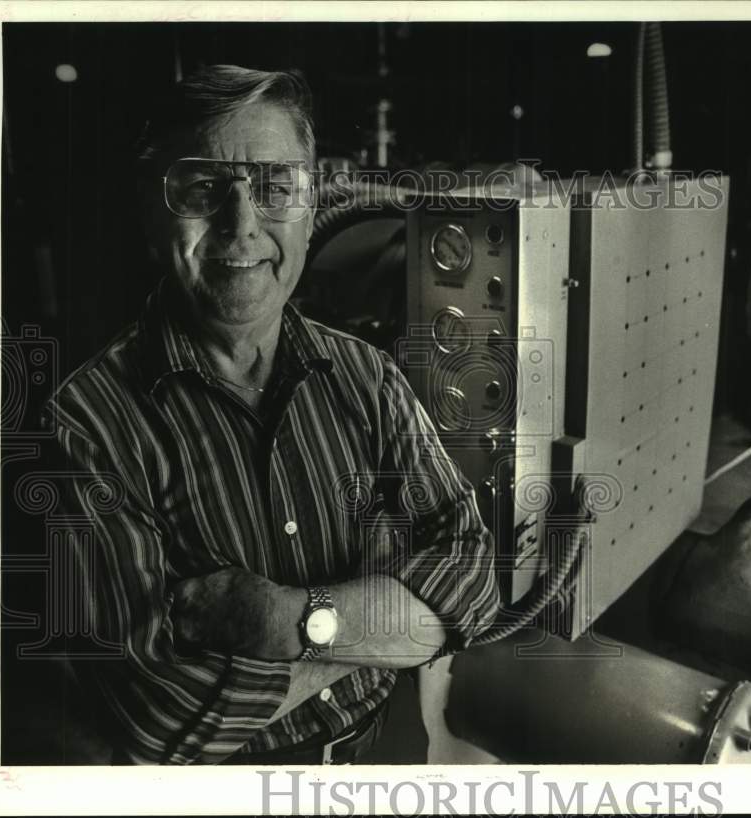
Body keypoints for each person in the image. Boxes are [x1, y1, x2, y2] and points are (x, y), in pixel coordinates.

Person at [42, 65, 500, 765]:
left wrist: (282, 619)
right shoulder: (89, 424)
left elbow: (472, 576)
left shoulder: (364, 374)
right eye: (202, 189)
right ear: (150, 211)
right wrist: (387, 626)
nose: (243, 225)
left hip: (394, 752)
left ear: (311, 205)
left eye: (275, 186)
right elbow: (158, 715)